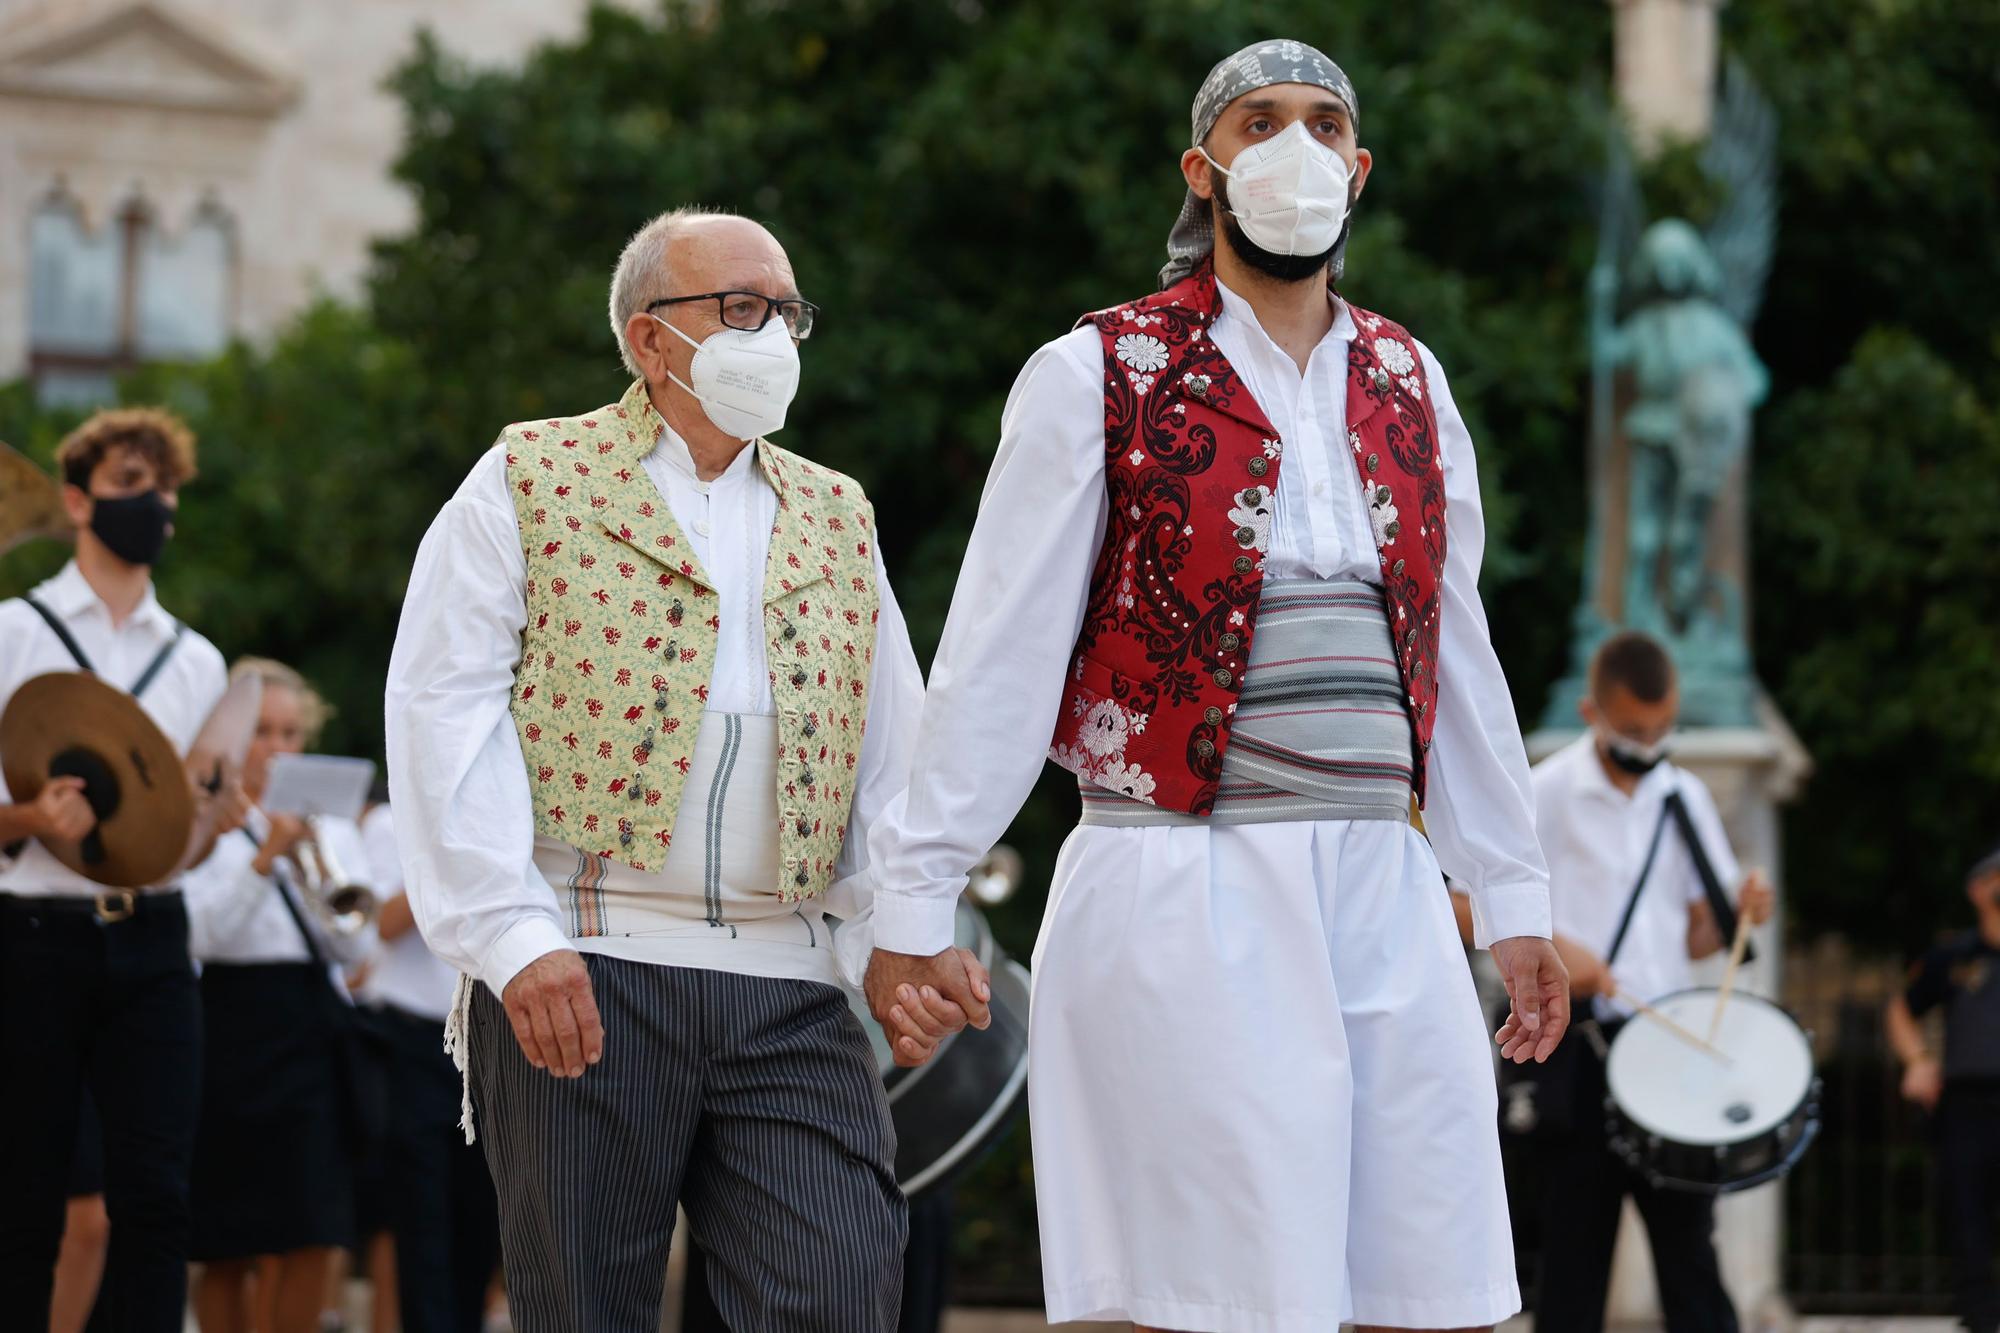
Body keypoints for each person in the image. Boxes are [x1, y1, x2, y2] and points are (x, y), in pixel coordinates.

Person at [860, 40, 1566, 1333]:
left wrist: (1509, 888)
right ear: (1206, 168)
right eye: (1258, 122)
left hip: (1386, 883)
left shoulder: (1413, 381)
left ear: (1359, 170)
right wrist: (920, 889)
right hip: (1184, 875)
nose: (1293, 145)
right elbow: (998, 652)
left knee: (1430, 1289)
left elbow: (1453, 649)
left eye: (1321, 123)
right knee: (1205, 1298)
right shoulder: (1098, 372)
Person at [387, 207, 963, 1333]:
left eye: (787, 313)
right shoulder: (528, 478)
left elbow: (892, 743)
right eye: (740, 310)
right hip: (583, 964)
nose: (774, 337)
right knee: (584, 1311)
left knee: (838, 1292)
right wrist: (512, 936)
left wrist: (897, 932)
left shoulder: (837, 512)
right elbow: (442, 708)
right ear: (650, 340)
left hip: (790, 980)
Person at [0, 408, 230, 1332]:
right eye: (133, 485)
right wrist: (26, 816)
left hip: (155, 939)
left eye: (164, 488)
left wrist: (216, 817)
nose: (155, 505)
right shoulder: (16, 631)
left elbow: (188, 839)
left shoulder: (200, 660)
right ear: (76, 498)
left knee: (158, 1199)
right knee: (24, 1199)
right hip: (33, 938)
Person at [1504, 630, 1773, 1333]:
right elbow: (1464, 894)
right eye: (1632, 730)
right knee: (1573, 1256)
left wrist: (1739, 912)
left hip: (1668, 1047)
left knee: (1692, 1258)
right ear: (1593, 713)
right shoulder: (1547, 788)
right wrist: (1556, 948)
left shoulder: (1682, 794)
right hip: (1581, 1047)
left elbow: (1696, 933)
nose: (1649, 744)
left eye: (1662, 729)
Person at [181, 658, 378, 1333]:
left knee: (313, 1229)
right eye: (263, 730)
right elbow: (202, 935)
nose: (278, 746)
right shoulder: (200, 816)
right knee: (226, 1240)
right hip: (230, 1025)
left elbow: (356, 945)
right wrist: (265, 860)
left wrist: (304, 863)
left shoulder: (330, 821)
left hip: (309, 1028)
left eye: (291, 731)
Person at [353, 796, 501, 1333]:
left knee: (480, 1217)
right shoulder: (386, 823)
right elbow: (383, 926)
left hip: (484, 1042)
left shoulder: (499, 816)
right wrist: (446, 856)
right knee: (421, 1221)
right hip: (410, 1040)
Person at [1889, 845, 2000, 1333]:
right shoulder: (1955, 957)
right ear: (1980, 890)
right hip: (1969, 1101)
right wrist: (1917, 1060)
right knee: (1967, 1210)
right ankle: (1980, 1319)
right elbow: (1901, 1008)